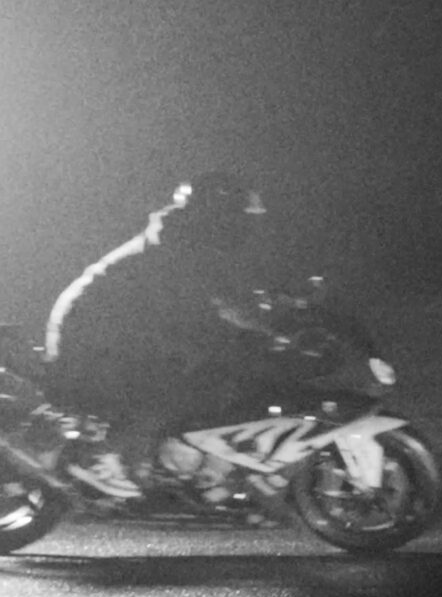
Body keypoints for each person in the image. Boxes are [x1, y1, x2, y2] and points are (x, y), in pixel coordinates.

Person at [39, 171, 274, 499]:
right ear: (218, 214)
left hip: (108, 338)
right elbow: (216, 307)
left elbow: (217, 306)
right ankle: (101, 456)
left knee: (212, 367)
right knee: (191, 385)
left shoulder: (186, 243)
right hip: (90, 345)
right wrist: (270, 329)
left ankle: (172, 464)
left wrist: (269, 317)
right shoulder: (177, 248)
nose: (246, 227)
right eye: (241, 217)